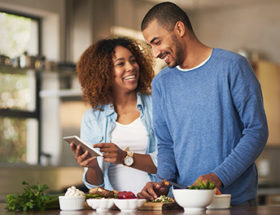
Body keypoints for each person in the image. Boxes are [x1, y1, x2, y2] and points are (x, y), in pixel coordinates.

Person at [137, 2, 268, 206]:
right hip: (182, 202)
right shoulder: (161, 83)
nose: (155, 53)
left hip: (233, 202)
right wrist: (161, 182)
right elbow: (166, 143)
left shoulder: (233, 67)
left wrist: (218, 177)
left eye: (157, 42)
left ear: (179, 29)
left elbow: (256, 131)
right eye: (150, 46)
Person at [71, 37, 157, 194]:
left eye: (133, 61)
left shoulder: (157, 106)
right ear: (103, 72)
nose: (131, 67)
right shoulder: (93, 118)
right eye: (121, 63)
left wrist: (124, 157)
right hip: (115, 206)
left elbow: (169, 163)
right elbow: (95, 184)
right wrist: (91, 166)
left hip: (155, 203)